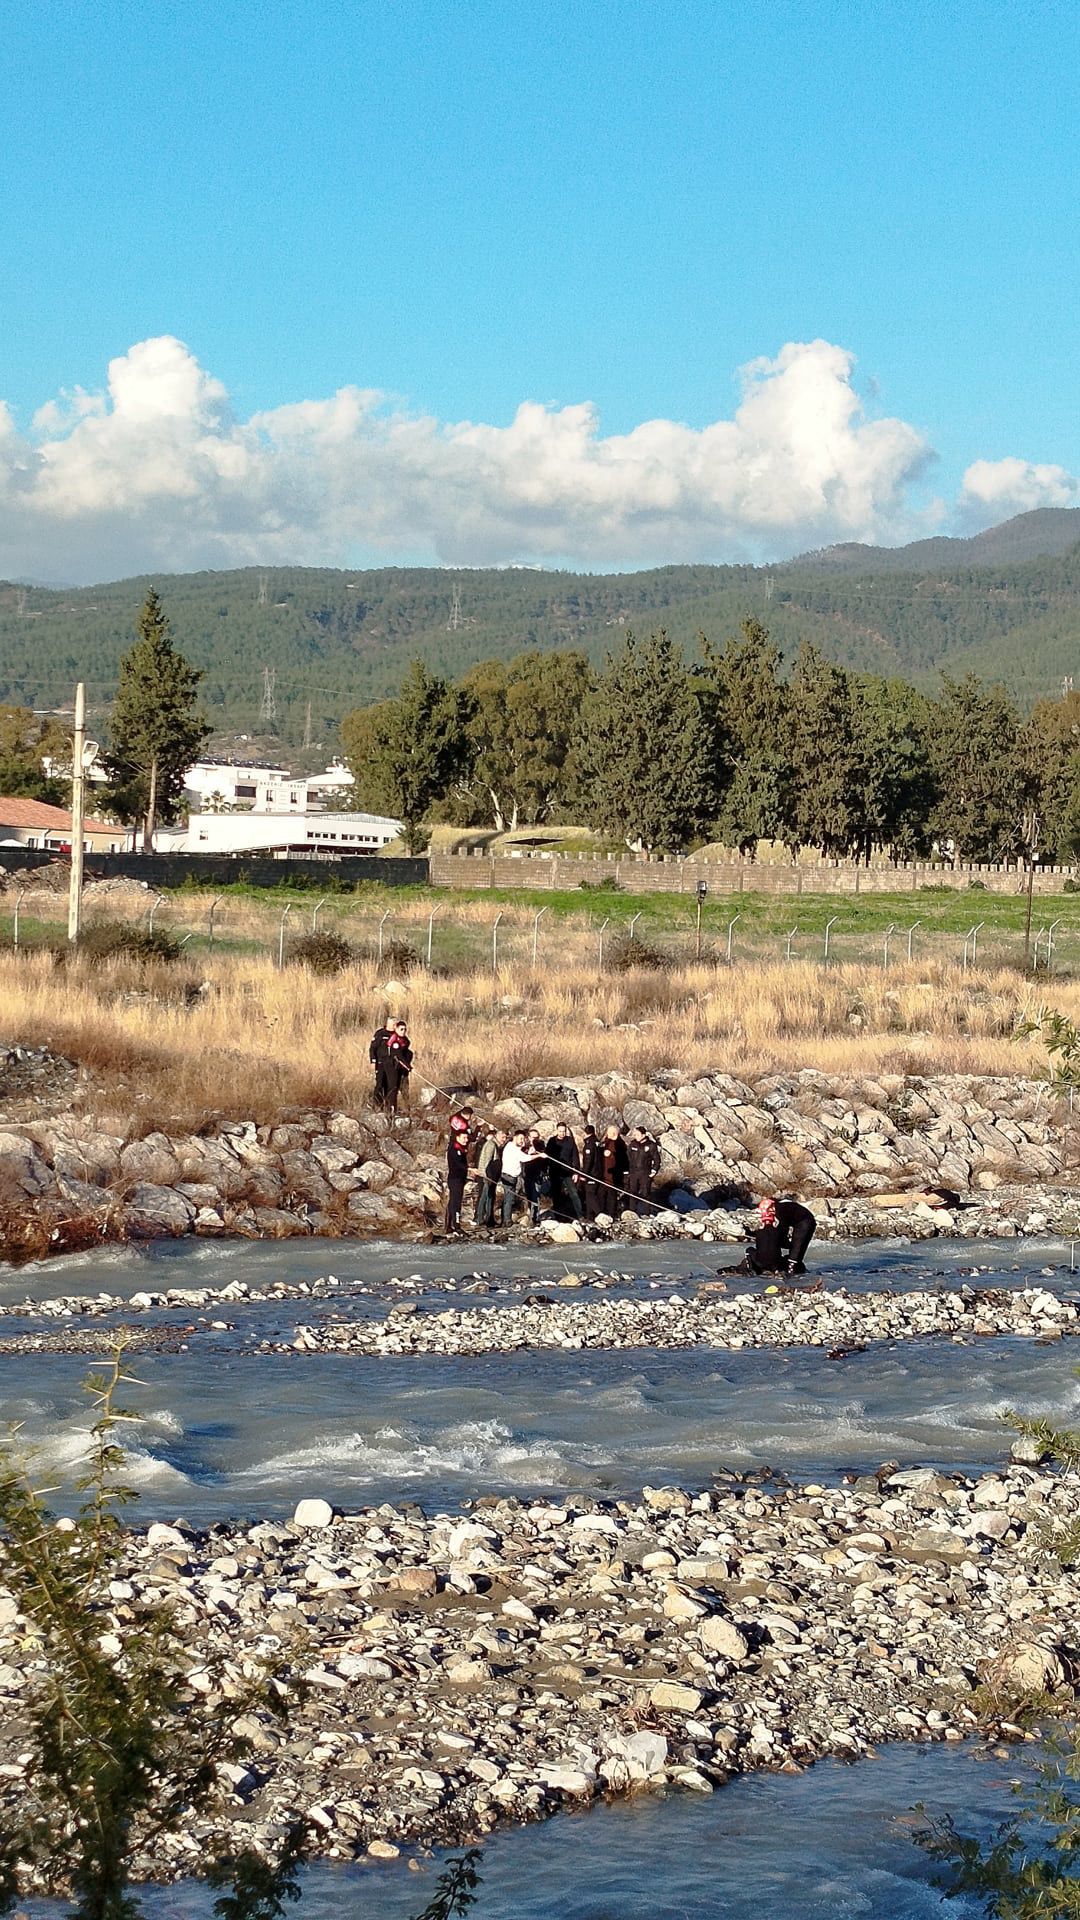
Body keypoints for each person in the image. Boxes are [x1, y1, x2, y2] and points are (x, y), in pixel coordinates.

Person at [546, 1122, 582, 1220]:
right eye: (560, 1131)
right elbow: (547, 1156)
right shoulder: (552, 1141)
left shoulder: (570, 1141)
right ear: (557, 1131)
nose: (562, 1133)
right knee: (556, 1195)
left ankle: (580, 1215)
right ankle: (558, 1216)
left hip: (567, 1172)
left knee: (574, 1193)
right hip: (555, 1172)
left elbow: (575, 1156)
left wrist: (576, 1172)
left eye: (564, 1131)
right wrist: (546, 1170)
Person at [445, 1107, 473, 1233]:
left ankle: (449, 1226)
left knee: (454, 1201)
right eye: (464, 1138)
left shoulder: (461, 1149)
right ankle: (455, 1225)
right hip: (455, 1178)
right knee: (455, 1202)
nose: (466, 1140)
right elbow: (457, 1164)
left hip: (459, 1178)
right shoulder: (454, 1149)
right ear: (457, 1137)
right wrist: (470, 1169)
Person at [475, 1128, 505, 1229]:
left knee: (490, 1197)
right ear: (497, 1135)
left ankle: (489, 1219)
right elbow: (487, 1161)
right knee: (485, 1197)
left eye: (505, 1137)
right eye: (502, 1137)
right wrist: (488, 1176)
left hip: (491, 1176)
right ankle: (481, 1219)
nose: (504, 1139)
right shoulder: (491, 1145)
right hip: (487, 1176)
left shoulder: (495, 1145)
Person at [625, 1126, 660, 1213]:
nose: (635, 1136)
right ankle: (632, 1211)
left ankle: (646, 1213)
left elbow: (657, 1160)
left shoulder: (651, 1145)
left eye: (637, 1134)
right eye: (635, 1134)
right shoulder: (632, 1144)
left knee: (645, 1193)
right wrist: (626, 1170)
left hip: (645, 1172)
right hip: (633, 1172)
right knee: (632, 1193)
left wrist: (654, 1171)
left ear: (643, 1135)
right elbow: (627, 1157)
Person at [499, 1129, 530, 1226]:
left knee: (507, 1198)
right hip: (509, 1176)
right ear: (515, 1137)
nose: (522, 1141)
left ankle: (504, 1220)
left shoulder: (510, 1146)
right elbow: (525, 1158)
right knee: (509, 1199)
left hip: (507, 1175)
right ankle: (507, 1221)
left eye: (523, 1139)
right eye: (520, 1139)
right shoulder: (513, 1148)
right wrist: (539, 1155)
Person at [383, 1019, 413, 1119]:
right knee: (393, 1087)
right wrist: (408, 1066)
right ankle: (391, 1108)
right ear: (396, 1029)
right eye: (401, 1029)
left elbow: (406, 1053)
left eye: (405, 1029)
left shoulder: (405, 1041)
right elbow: (398, 1056)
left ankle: (407, 1108)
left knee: (404, 1088)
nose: (403, 1031)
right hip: (392, 1066)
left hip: (401, 1068)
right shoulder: (394, 1041)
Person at [599, 1125, 629, 1215]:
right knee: (603, 1194)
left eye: (608, 1133)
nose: (606, 1134)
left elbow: (620, 1160)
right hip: (605, 1174)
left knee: (611, 1195)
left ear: (613, 1134)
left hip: (612, 1175)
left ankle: (610, 1214)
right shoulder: (608, 1143)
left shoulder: (617, 1144)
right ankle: (604, 1212)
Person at [523, 1126, 546, 1224]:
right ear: (529, 1137)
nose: (535, 1140)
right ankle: (528, 1213)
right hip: (526, 1174)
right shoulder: (524, 1147)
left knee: (535, 1195)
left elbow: (544, 1160)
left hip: (537, 1174)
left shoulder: (541, 1146)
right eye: (533, 1138)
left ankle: (534, 1216)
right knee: (528, 1194)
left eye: (537, 1137)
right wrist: (529, 1153)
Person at [579, 1124, 602, 1221]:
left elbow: (589, 1160)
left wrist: (584, 1174)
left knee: (590, 1194)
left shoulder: (589, 1144)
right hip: (598, 1172)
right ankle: (590, 1216)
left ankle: (600, 1214)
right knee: (589, 1196)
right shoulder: (598, 1143)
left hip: (591, 1173)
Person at [369, 1020, 392, 1108]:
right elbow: (372, 1048)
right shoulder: (380, 1033)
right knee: (380, 1083)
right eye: (393, 1024)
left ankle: (387, 1104)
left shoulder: (396, 1034)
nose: (394, 1026)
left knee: (389, 1084)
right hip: (380, 1062)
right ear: (388, 1024)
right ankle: (376, 1103)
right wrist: (373, 1061)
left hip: (391, 1064)